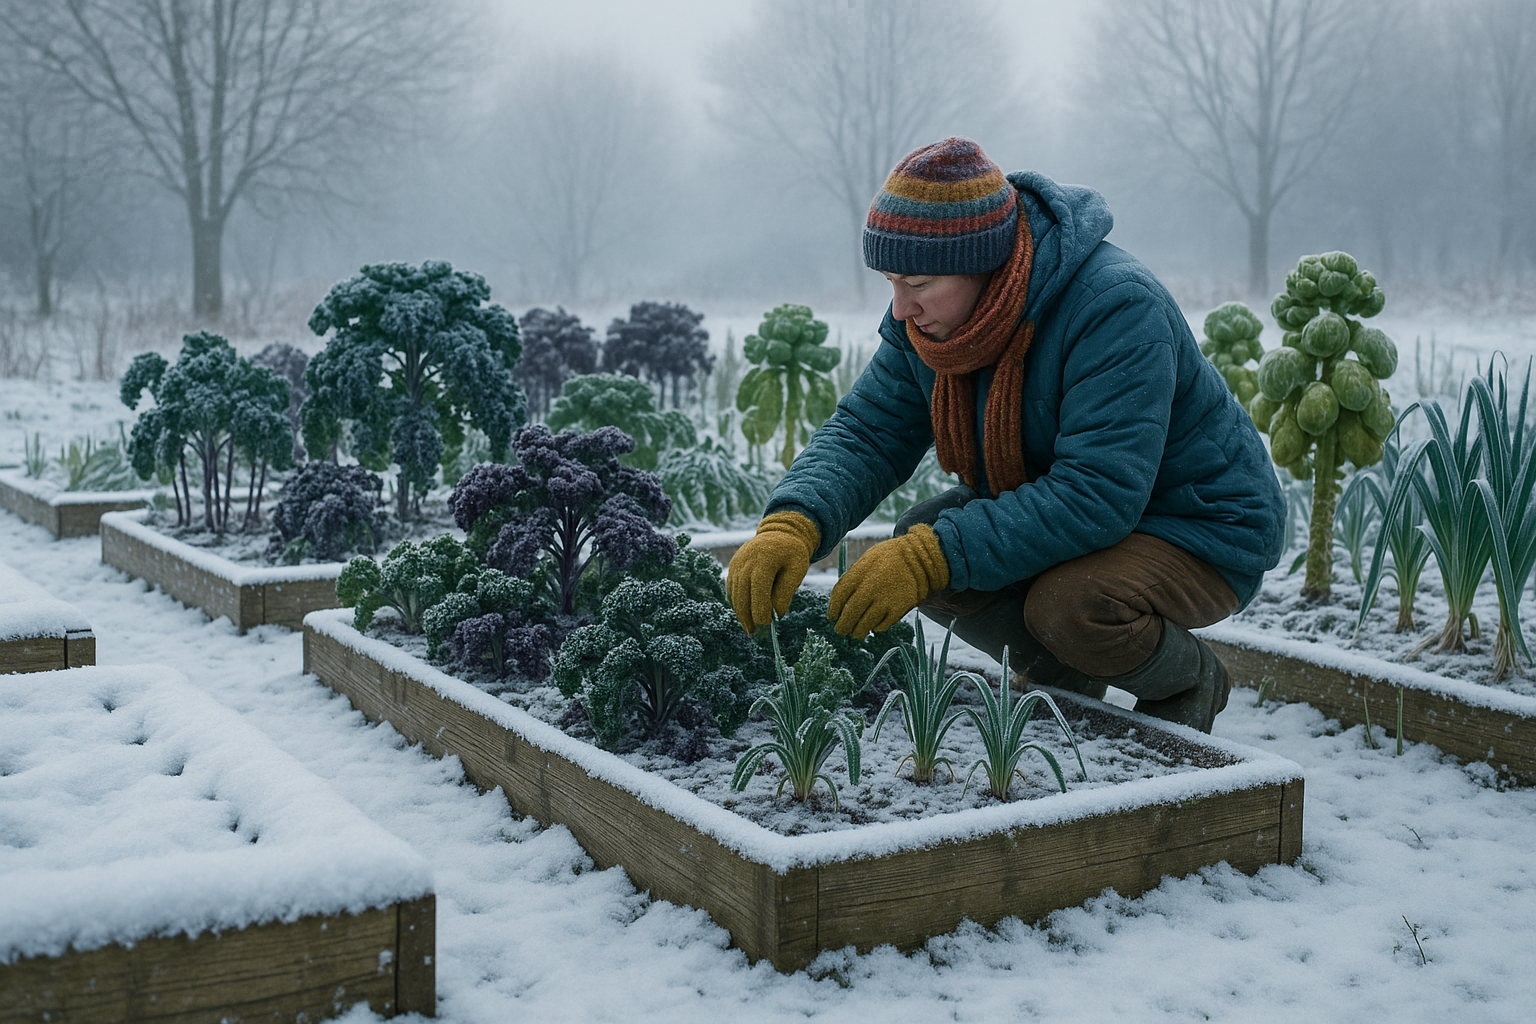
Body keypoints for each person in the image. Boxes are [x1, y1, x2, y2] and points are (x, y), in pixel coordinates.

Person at [726, 137, 1284, 733]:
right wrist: (792, 524)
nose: (899, 309)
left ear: (984, 261)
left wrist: (930, 559)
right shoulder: (934, 326)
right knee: (925, 537)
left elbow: (1099, 491)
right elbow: (869, 429)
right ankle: (1067, 681)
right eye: (891, 281)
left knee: (1070, 603)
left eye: (916, 282)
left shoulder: (1116, 305)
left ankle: (1187, 679)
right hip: (1091, 508)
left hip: (1200, 523)